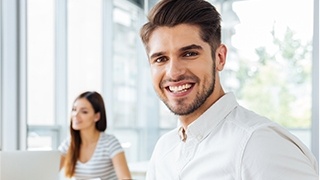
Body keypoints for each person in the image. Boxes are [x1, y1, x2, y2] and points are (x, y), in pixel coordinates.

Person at [139, 0, 319, 179]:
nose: (173, 72)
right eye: (160, 59)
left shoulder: (259, 144)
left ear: (220, 57)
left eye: (189, 54)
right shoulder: (164, 150)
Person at [58, 91, 132, 180]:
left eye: (84, 112)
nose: (76, 115)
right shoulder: (69, 143)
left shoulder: (110, 143)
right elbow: (50, 169)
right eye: (74, 109)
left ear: (97, 116)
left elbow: (125, 178)